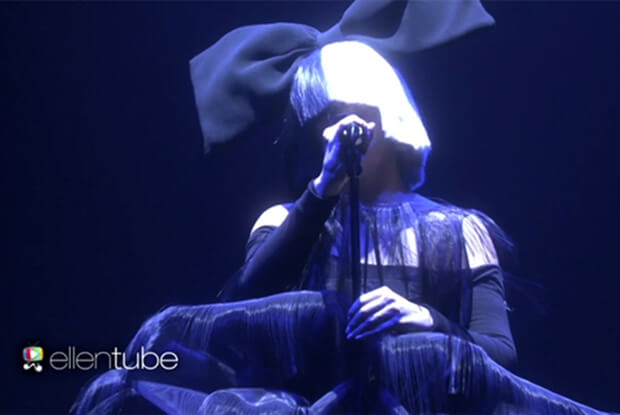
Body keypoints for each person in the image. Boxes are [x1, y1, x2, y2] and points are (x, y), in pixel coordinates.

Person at [72, 40, 610, 415]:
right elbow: (237, 314)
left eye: (354, 108)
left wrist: (426, 318)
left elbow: (500, 355)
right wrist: (323, 188)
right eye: (324, 118)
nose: (342, 126)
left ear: (389, 113)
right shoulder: (284, 219)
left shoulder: (458, 230)